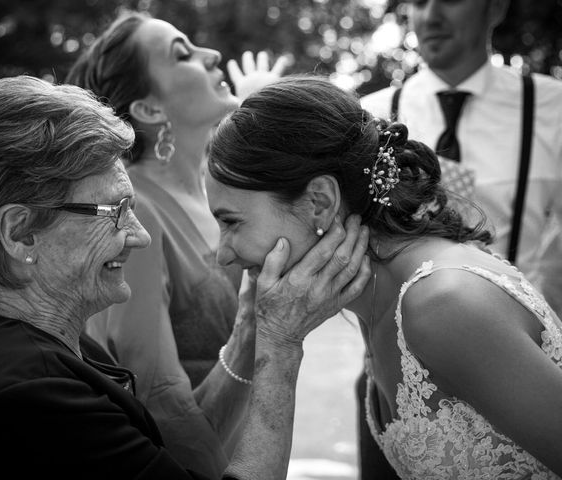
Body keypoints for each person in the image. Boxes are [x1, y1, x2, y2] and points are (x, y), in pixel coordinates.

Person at [0, 74, 372, 479]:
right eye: (115, 212)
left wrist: (252, 327)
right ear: (20, 234)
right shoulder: (28, 398)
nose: (139, 237)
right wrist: (282, 345)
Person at [205, 75, 562, 479]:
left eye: (232, 222)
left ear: (320, 202)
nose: (223, 255)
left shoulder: (443, 305)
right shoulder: (374, 296)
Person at [65, 10, 289, 476]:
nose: (213, 55)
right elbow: (158, 401)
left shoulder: (219, 190)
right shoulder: (135, 214)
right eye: (182, 54)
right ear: (149, 109)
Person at [358, 2, 562, 477]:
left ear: (496, 8)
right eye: (417, 0)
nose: (429, 15)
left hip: (517, 358)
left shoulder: (551, 106)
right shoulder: (368, 117)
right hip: (395, 374)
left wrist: (535, 303)